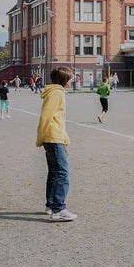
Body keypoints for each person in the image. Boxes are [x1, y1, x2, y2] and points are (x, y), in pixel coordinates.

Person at [36, 66, 77, 221]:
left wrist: (64, 139)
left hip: (55, 136)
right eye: (70, 78)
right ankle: (58, 209)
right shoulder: (56, 93)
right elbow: (46, 116)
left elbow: (58, 119)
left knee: (54, 172)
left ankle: (51, 204)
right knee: (62, 172)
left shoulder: (56, 92)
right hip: (52, 137)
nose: (72, 80)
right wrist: (41, 137)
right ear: (64, 79)